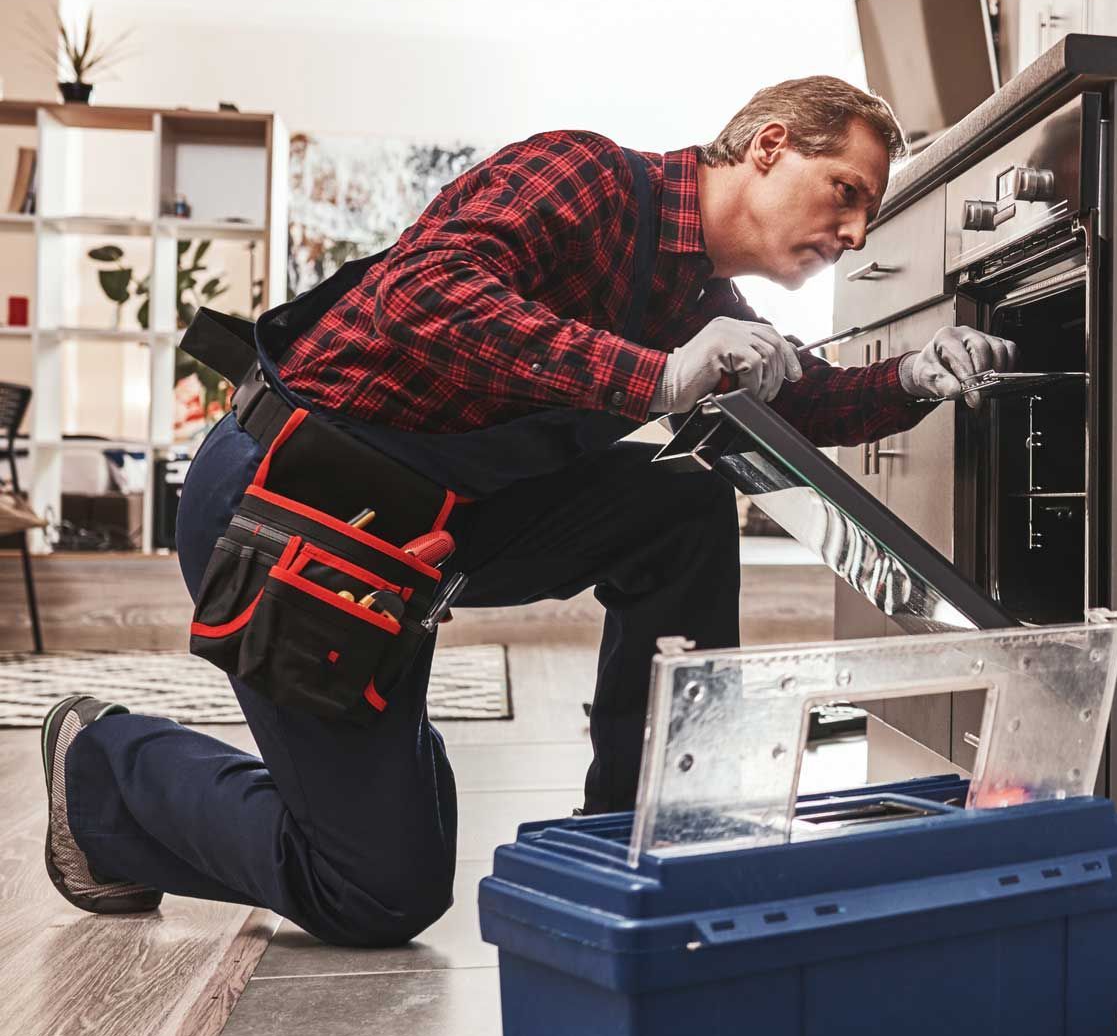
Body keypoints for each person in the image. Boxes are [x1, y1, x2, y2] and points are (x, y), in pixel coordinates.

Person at [39, 76, 1017, 945]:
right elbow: (421, 294)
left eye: (866, 212)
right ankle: (103, 769)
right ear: (769, 145)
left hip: (427, 530)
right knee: (379, 890)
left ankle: (636, 835)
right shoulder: (585, 176)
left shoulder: (698, 298)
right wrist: (653, 374)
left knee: (680, 501)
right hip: (289, 506)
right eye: (846, 191)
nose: (855, 233)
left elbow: (811, 403)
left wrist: (917, 376)